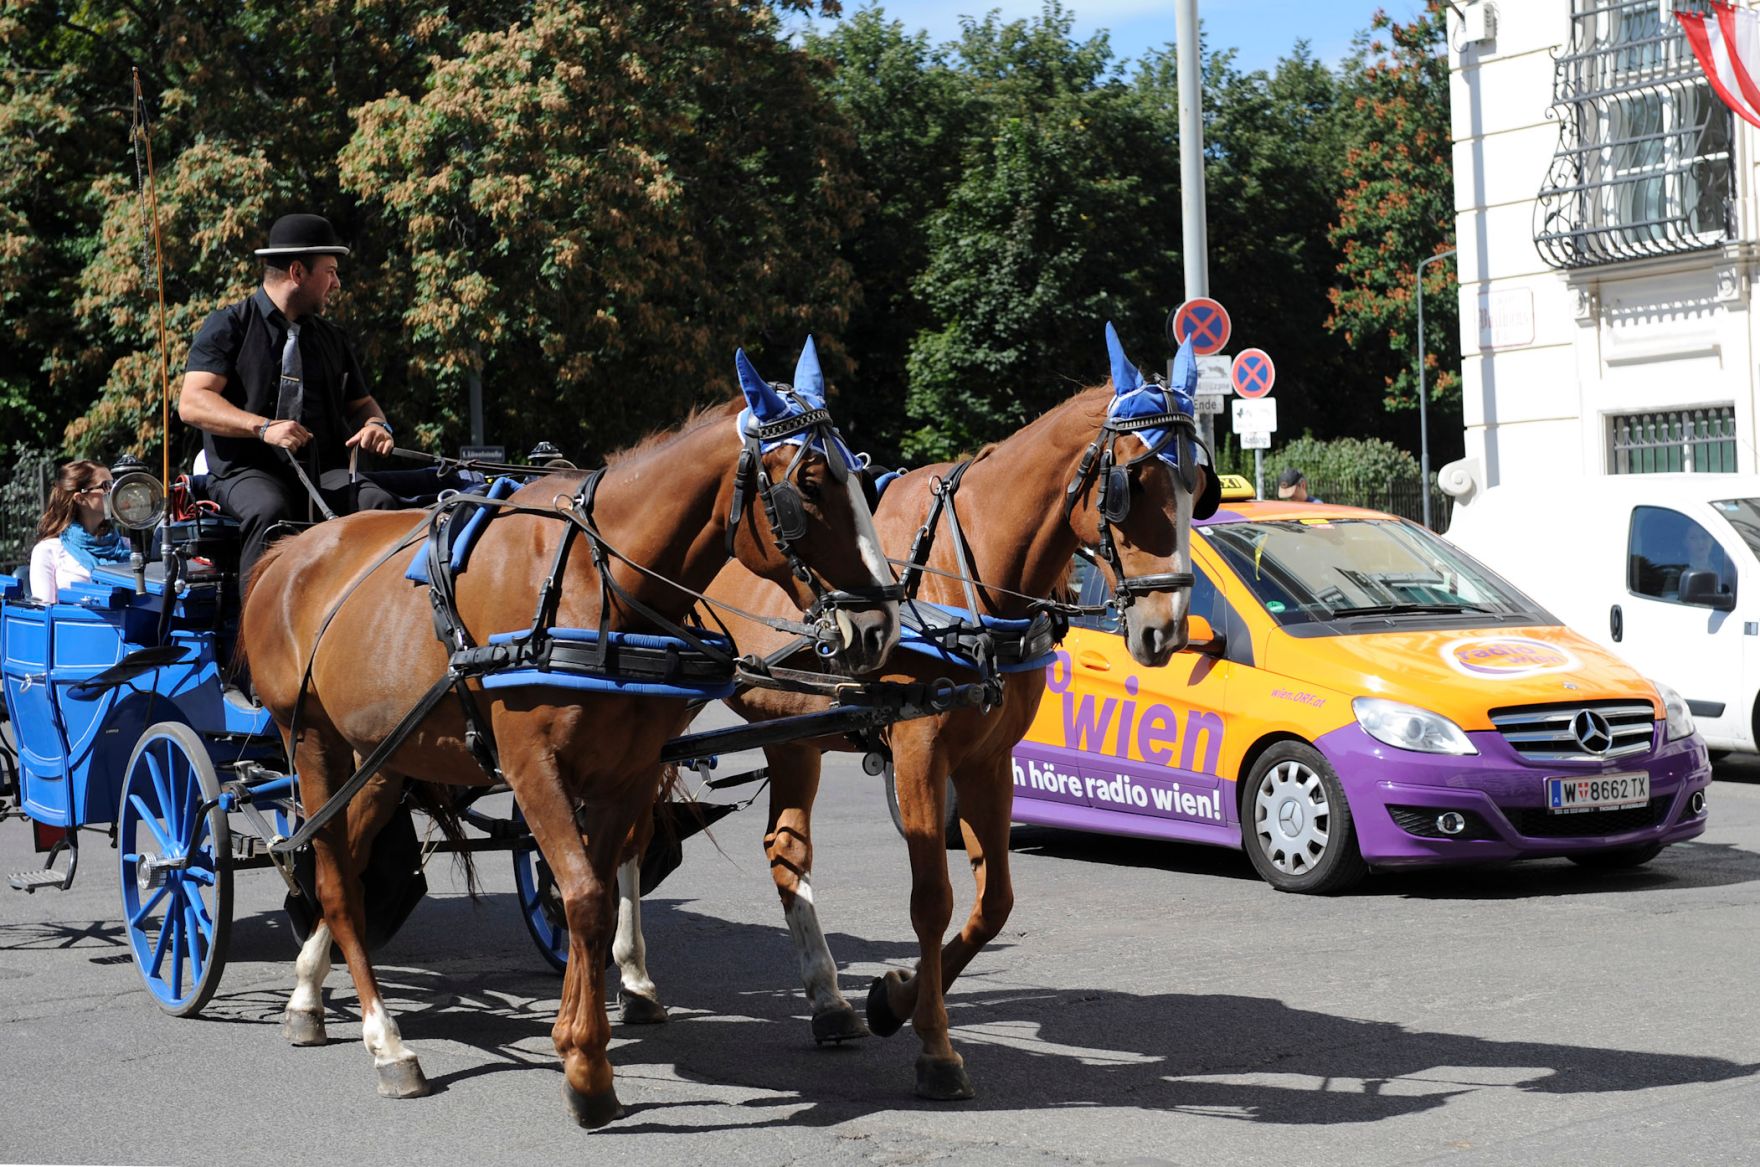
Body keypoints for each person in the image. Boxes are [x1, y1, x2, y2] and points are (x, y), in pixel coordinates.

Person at [177, 213, 402, 588]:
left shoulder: (332, 338)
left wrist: (377, 425)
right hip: (244, 471)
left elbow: (363, 404)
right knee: (270, 509)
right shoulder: (229, 326)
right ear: (298, 272)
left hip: (321, 470)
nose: (337, 283)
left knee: (381, 505)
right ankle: (253, 637)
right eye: (330, 272)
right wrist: (263, 428)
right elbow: (193, 402)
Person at [28, 460, 131, 602]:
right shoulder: (48, 550)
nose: (114, 491)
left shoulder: (126, 546)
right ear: (80, 498)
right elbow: (44, 612)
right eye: (106, 486)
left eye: (114, 484)